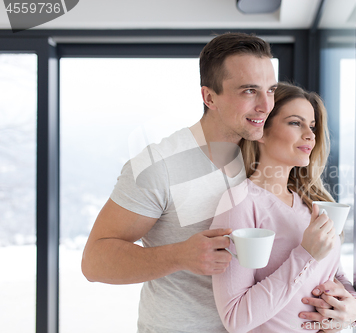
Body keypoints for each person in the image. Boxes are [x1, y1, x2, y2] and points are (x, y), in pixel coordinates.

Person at [81, 32, 278, 332]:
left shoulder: (260, 158)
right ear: (209, 97)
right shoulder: (159, 166)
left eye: (270, 90)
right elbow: (94, 261)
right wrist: (179, 256)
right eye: (249, 91)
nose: (266, 105)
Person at [210, 82, 356, 333]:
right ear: (260, 130)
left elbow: (335, 276)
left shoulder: (311, 204)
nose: (310, 135)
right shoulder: (240, 202)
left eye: (312, 126)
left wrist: (355, 309)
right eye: (296, 123)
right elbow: (235, 318)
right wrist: (305, 253)